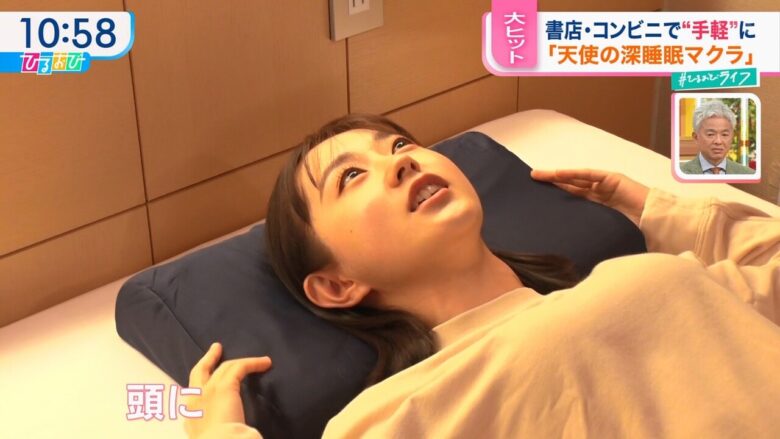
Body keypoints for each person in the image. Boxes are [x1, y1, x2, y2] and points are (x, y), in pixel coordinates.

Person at [183, 114, 780, 438]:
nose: (401, 161)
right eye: (352, 176)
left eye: (400, 145)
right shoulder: (397, 416)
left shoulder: (659, 279)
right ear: (337, 285)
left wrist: (649, 206)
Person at [680, 100, 755, 175]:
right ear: (696, 137)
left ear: (732, 136)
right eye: (710, 134)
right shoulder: (680, 174)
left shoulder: (749, 174)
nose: (718, 141)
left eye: (724, 134)